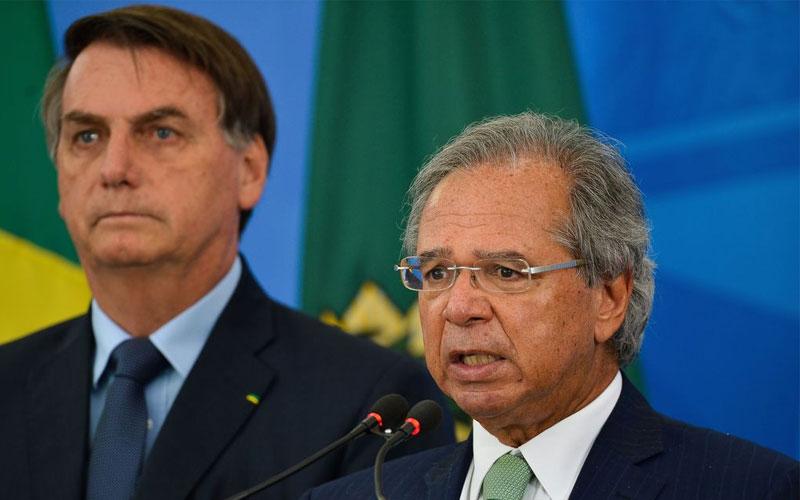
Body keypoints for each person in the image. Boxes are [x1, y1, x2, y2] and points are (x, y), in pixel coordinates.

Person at [0, 5, 453, 499]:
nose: (114, 168)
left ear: (249, 171)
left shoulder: (373, 407)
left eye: (161, 132)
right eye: (87, 136)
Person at [301, 112, 799, 499]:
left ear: (609, 297)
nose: (459, 308)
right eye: (437, 273)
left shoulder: (752, 490)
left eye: (505, 272)